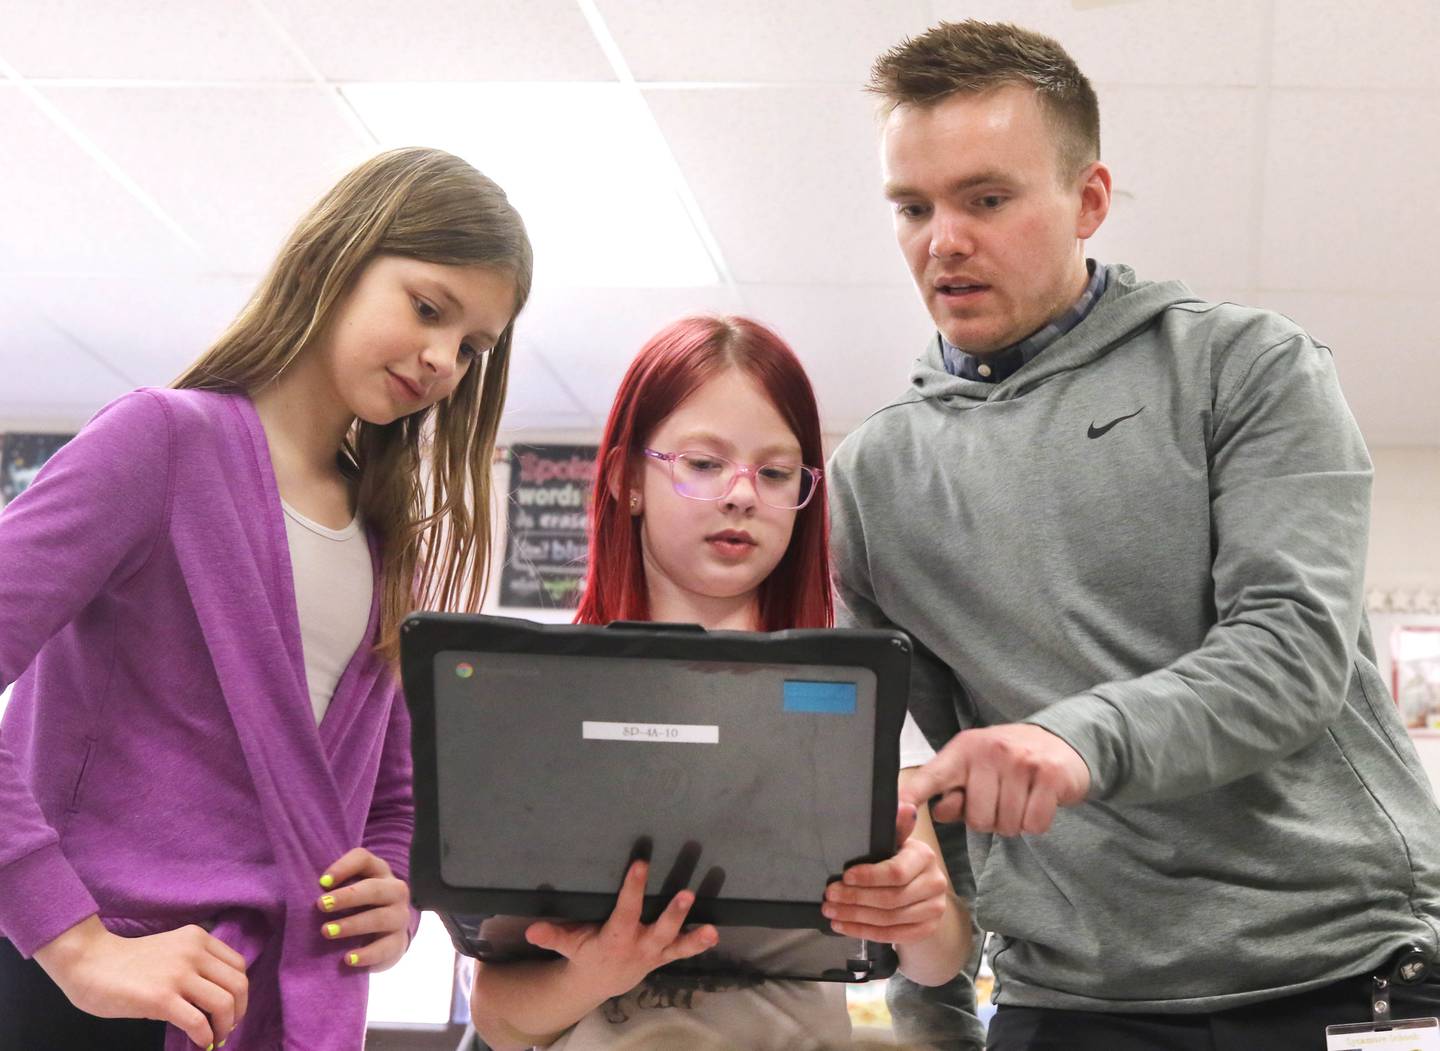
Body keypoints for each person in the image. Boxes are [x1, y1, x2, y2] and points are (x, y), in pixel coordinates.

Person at [826, 18, 1440, 1050]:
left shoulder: (1247, 368)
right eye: (913, 206)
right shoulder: (874, 476)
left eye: (987, 198)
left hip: (1338, 967)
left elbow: (1290, 653)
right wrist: (950, 969)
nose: (944, 240)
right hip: (1068, 1002)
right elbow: (946, 763)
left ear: (1088, 201)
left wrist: (1071, 738)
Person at [0, 147, 533, 1051]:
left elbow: (382, 794)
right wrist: (74, 940)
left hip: (277, 1006)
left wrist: (391, 894)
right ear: (339, 254)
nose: (444, 358)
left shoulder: (382, 531)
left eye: (472, 346)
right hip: (99, 992)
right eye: (428, 307)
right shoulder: (159, 442)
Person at [469, 315, 971, 1050]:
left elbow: (939, 958)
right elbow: (499, 1017)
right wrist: (597, 971)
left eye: (774, 473)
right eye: (703, 464)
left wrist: (919, 909)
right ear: (623, 480)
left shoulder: (848, 696)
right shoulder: (544, 704)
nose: (742, 495)